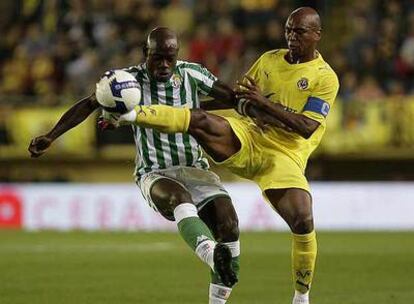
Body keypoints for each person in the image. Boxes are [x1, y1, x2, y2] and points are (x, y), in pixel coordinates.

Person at [109, 7, 339, 304]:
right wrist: (232, 104)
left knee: (303, 221)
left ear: (317, 35)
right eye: (289, 30)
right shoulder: (269, 60)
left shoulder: (325, 77)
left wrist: (264, 106)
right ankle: (133, 114)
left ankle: (301, 297)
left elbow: (306, 127)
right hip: (248, 135)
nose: (292, 37)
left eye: (300, 32)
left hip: (285, 156)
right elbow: (239, 99)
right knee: (199, 120)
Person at [29, 27, 248, 303]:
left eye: (170, 57)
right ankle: (209, 252)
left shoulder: (192, 74)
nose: (164, 64)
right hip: (154, 172)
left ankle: (218, 295)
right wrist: (51, 136)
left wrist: (262, 104)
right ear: (147, 54)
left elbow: (231, 98)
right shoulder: (127, 81)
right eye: (158, 57)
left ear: (177, 55)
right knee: (179, 199)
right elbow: (88, 104)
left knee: (229, 224)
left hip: (196, 168)